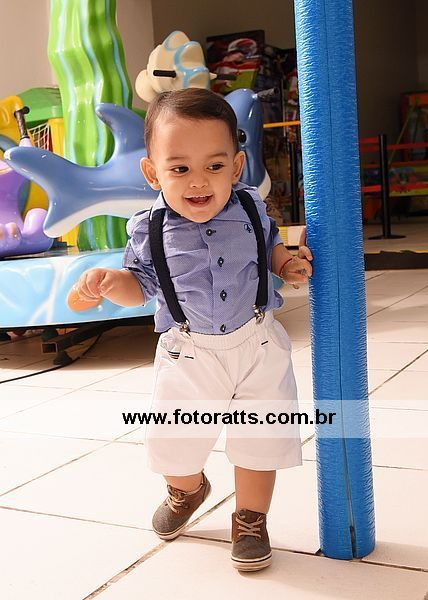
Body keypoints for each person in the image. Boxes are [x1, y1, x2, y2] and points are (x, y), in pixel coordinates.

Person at [74, 88, 313, 572]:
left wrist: (285, 264)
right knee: (174, 442)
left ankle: (250, 519)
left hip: (257, 343)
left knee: (261, 438)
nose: (199, 181)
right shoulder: (149, 229)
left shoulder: (250, 208)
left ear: (237, 166)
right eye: (180, 168)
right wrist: (111, 283)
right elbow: (139, 285)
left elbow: (269, 247)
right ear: (152, 173)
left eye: (215, 166)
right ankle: (187, 490)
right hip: (188, 353)